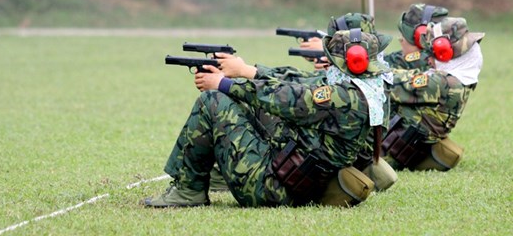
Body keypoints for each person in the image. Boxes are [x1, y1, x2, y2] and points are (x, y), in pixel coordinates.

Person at [144, 30, 390, 208]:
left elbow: (287, 97)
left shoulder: (342, 97)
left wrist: (223, 84)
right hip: (297, 183)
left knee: (212, 101)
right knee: (244, 103)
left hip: (270, 188)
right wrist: (244, 74)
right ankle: (212, 176)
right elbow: (296, 83)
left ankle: (189, 191)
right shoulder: (367, 92)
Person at [382, 17, 485, 171]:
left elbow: (392, 83)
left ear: (444, 52)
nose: (428, 59)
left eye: (431, 53)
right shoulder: (459, 80)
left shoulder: (442, 84)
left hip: (389, 151)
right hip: (406, 147)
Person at [384, 3, 449, 70]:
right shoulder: (449, 59)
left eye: (403, 35)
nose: (400, 40)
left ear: (421, 37)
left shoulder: (420, 63)